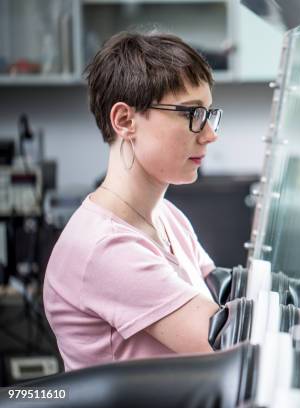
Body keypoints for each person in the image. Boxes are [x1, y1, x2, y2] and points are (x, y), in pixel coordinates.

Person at [43, 31, 223, 371]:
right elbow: (230, 344)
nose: (210, 134)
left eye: (209, 114)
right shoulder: (105, 248)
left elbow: (224, 291)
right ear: (125, 121)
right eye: (192, 114)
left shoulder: (166, 215)